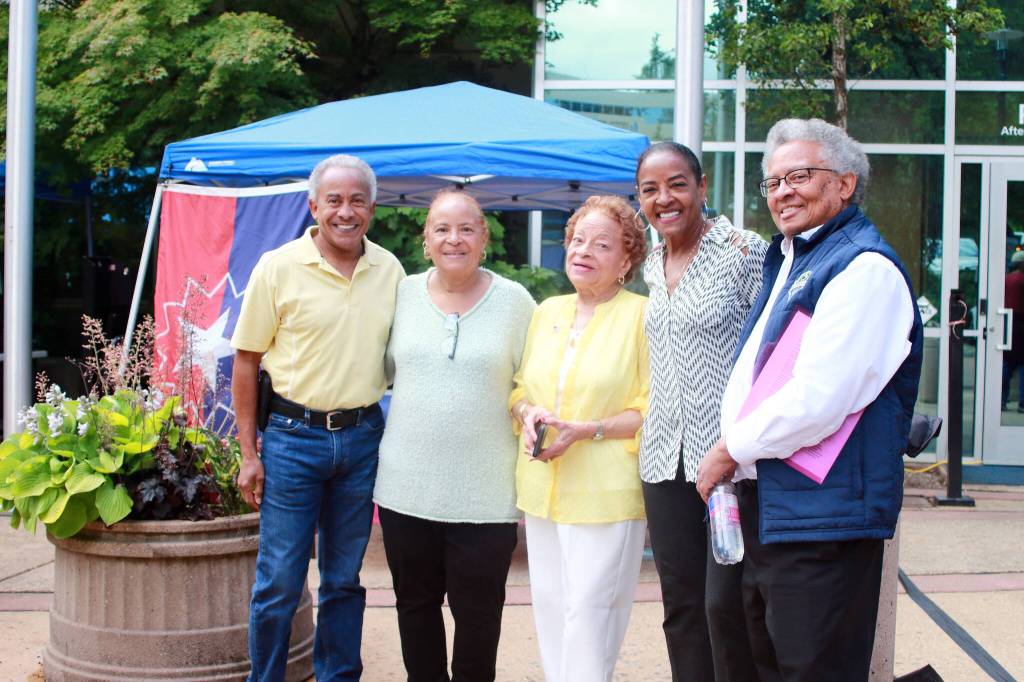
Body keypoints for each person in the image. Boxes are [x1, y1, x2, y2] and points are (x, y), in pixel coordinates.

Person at [696, 118, 923, 682]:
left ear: (845, 184)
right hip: (765, 507)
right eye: (772, 183)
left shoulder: (864, 268)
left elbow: (823, 396)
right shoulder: (793, 260)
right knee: (746, 661)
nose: (782, 192)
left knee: (810, 668)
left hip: (822, 521)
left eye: (798, 175)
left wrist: (729, 450)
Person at [231, 154, 405, 681]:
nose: (345, 211)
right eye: (334, 200)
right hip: (291, 439)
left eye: (357, 200)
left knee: (343, 580)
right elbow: (246, 361)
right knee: (280, 581)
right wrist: (247, 453)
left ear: (372, 209)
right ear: (314, 206)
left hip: (361, 440)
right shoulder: (277, 267)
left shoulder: (391, 271)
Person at [373, 189, 535, 682]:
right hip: (405, 490)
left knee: (479, 618)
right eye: (442, 228)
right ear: (425, 240)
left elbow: (535, 383)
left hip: (485, 497)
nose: (454, 239)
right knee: (414, 608)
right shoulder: (399, 295)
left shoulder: (516, 303)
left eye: (467, 228)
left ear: (484, 238)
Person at [636, 141, 765, 682]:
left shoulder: (744, 251)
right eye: (650, 189)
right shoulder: (649, 261)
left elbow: (771, 352)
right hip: (664, 461)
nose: (664, 198)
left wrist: (745, 440)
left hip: (725, 465)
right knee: (680, 607)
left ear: (702, 187)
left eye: (677, 184)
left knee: (726, 607)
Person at [510, 195, 649, 682]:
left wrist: (587, 431)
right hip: (542, 488)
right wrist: (527, 413)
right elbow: (522, 389)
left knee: (590, 613)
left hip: (606, 492)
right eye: (577, 240)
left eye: (601, 244)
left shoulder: (643, 316)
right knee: (550, 608)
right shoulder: (547, 309)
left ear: (626, 260)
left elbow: (651, 409)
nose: (583, 250)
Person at [1002, 250, 1024, 411]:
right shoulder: (1022, 280)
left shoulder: (1006, 280)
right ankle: (1022, 402)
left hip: (1006, 322)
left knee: (1006, 363)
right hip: (1021, 322)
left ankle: (1001, 399)